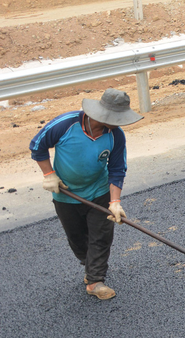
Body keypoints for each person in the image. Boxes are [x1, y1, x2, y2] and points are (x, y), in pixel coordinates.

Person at [30, 88, 142, 300]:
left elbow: (117, 168)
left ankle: (95, 280)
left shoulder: (115, 135)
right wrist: (49, 174)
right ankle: (90, 265)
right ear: (103, 115)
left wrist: (115, 201)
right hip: (66, 194)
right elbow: (37, 146)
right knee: (77, 238)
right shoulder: (64, 125)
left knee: (101, 236)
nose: (121, 122)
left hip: (99, 192)